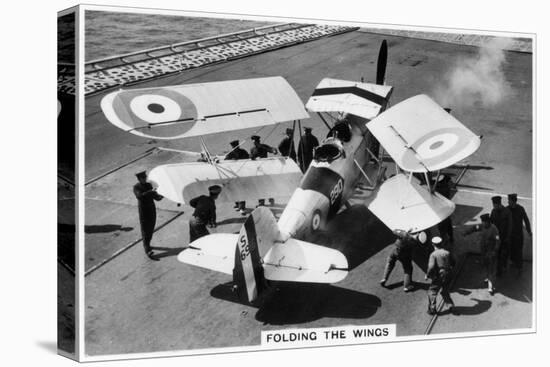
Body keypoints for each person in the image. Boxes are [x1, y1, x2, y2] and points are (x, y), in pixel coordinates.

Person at [463, 214, 500, 295]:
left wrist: (495, 250)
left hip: (491, 252)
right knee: (485, 265)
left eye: (485, 222)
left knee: (491, 268)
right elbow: (474, 228)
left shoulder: (494, 229)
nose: (483, 224)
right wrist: (466, 232)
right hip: (484, 251)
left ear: (488, 221)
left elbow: (497, 241)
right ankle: (487, 277)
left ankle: (490, 287)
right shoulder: (482, 226)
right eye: (483, 222)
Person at [133, 171, 163, 259]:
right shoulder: (136, 187)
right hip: (144, 211)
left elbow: (155, 197)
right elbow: (140, 196)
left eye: (145, 177)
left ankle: (148, 243)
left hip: (151, 208)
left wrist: (161, 195)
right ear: (139, 179)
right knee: (145, 229)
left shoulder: (148, 185)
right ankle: (147, 249)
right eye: (143, 178)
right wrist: (151, 192)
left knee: (151, 227)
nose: (145, 179)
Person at [425, 236, 456, 315]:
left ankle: (432, 309)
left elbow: (431, 267)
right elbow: (453, 262)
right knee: (445, 291)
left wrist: (428, 275)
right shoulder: (447, 252)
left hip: (439, 275)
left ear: (433, 244)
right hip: (448, 274)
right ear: (441, 243)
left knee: (432, 291)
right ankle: (450, 306)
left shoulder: (433, 255)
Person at [506, 193, 532, 276]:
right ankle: (513, 263)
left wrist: (529, 231)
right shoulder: (507, 209)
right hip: (510, 235)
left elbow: (526, 220)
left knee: (518, 252)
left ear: (513, 201)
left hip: (518, 235)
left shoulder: (520, 209)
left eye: (509, 201)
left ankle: (519, 268)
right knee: (511, 250)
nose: (508, 202)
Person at [490, 196, 512, 276]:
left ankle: (503, 267)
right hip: (496, 237)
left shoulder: (507, 212)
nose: (494, 207)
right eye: (493, 205)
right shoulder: (493, 211)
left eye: (495, 205)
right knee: (497, 254)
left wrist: (507, 237)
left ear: (498, 204)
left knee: (504, 254)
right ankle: (499, 270)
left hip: (504, 237)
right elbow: (491, 223)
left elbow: (510, 226)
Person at [225, 140, 248, 213]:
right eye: (233, 147)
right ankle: (237, 204)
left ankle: (242, 207)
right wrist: (231, 160)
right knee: (234, 190)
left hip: (242, 173)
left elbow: (248, 158)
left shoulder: (243, 152)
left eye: (236, 146)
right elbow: (225, 161)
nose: (235, 148)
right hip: (233, 174)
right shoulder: (231, 153)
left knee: (241, 190)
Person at [435, 174, 455, 247]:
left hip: (441, 211)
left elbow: (436, 192)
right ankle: (451, 238)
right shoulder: (447, 187)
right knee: (449, 225)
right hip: (447, 210)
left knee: (442, 228)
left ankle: (444, 242)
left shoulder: (441, 189)